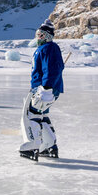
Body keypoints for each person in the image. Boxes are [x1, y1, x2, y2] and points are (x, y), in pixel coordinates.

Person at [19, 20, 65, 160]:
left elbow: (52, 69)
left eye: (41, 35)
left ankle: (33, 145)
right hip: (44, 88)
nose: (38, 38)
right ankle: (49, 146)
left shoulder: (48, 48)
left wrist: (46, 88)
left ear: (47, 36)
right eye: (37, 35)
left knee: (30, 115)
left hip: (45, 89)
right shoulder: (45, 48)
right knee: (41, 116)